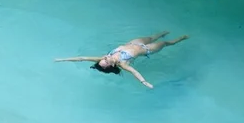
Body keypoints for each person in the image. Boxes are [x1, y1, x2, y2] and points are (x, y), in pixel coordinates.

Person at [54, 32, 188, 88]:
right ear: (111, 66)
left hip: (135, 42)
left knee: (153, 36)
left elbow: (82, 58)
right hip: (146, 50)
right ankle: (180, 39)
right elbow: (134, 72)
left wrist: (63, 59)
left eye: (104, 58)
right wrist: (144, 82)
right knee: (164, 43)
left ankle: (165, 31)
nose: (106, 57)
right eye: (106, 61)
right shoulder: (123, 64)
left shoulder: (106, 57)